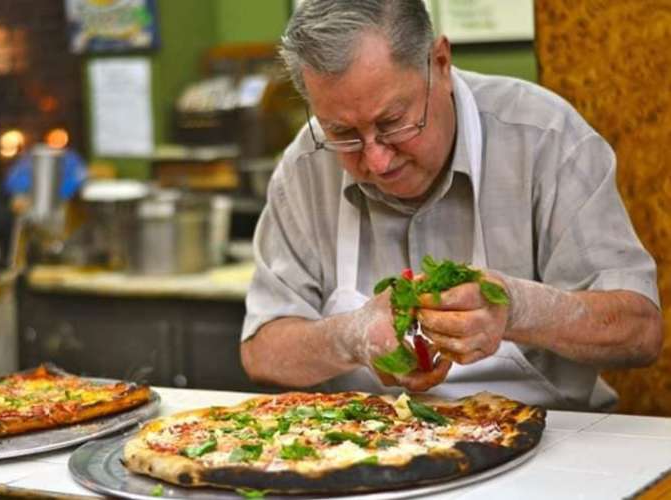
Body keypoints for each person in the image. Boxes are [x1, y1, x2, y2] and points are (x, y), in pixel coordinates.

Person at [240, 0, 662, 410]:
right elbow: (262, 351)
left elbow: (640, 331)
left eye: (393, 123)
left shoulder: (545, 137)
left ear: (440, 63)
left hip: (550, 444)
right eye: (344, 134)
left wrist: (519, 309)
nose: (376, 160)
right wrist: (349, 337)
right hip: (365, 447)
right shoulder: (306, 166)